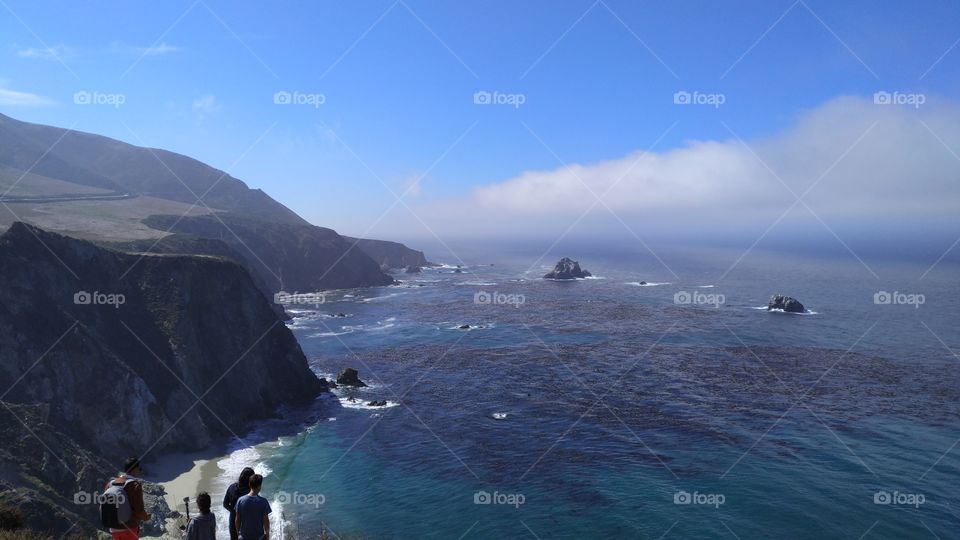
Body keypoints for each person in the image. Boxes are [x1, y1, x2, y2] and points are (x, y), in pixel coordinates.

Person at [105, 457, 151, 540]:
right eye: (139, 469)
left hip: (113, 529)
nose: (140, 471)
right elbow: (139, 510)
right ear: (134, 469)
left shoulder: (110, 484)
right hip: (129, 529)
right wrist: (146, 517)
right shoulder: (135, 485)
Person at [234, 474, 271, 540]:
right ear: (259, 486)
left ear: (249, 485)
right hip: (259, 537)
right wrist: (267, 535)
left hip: (244, 537)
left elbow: (237, 519)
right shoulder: (263, 502)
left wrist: (238, 533)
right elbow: (266, 521)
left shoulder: (240, 500)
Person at [222, 467, 255, 540]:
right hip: (246, 523)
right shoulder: (249, 492)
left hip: (233, 520)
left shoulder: (232, 487)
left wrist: (234, 511)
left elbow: (225, 504)